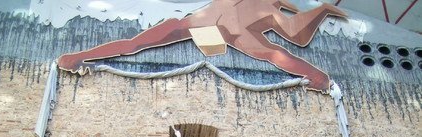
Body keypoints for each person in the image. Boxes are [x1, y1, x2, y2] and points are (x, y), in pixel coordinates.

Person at [57, 0, 347, 92]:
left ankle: (319, 77)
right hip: (204, 24)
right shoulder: (270, 9)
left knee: (274, 54)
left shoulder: (271, 10)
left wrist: (321, 10)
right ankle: (78, 57)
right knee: (137, 43)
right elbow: (296, 36)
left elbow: (297, 37)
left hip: (229, 31)